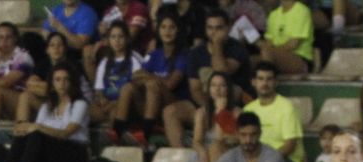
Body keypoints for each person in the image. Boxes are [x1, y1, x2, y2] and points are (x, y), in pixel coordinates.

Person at [0, 67, 89, 162]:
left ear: (72, 83)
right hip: (51, 158)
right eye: (58, 80)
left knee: (36, 133)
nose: (62, 83)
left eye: (66, 80)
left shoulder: (79, 104)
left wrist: (37, 127)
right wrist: (24, 129)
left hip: (75, 155)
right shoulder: (47, 107)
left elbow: (66, 133)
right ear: (52, 84)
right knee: (25, 134)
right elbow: (34, 131)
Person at [178, 68, 240, 162]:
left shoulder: (237, 113)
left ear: (228, 89)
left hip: (228, 153)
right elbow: (196, 141)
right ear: (208, 89)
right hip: (207, 156)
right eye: (213, 85)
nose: (217, 89)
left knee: (215, 147)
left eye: (222, 85)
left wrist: (220, 111)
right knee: (195, 156)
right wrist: (201, 152)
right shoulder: (201, 112)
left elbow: (220, 138)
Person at [140, 10, 196, 148]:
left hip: (178, 101)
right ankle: (119, 131)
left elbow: (171, 84)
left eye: (172, 27)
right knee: (129, 88)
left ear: (178, 30)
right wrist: (152, 78)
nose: (167, 31)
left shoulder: (184, 54)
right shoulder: (155, 54)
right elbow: (136, 75)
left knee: (152, 85)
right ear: (158, 30)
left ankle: (146, 134)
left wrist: (150, 77)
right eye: (163, 27)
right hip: (157, 101)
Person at [242, 61, 303, 162]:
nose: (265, 83)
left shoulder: (286, 107)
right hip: (258, 160)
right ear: (253, 82)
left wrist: (264, 160)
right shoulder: (248, 109)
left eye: (269, 79)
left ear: (276, 82)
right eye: (260, 79)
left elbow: (290, 145)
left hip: (287, 161)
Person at [91, 23, 147, 144]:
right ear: (108, 40)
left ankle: (116, 144)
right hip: (107, 103)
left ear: (127, 39)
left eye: (120, 37)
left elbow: (137, 89)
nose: (117, 40)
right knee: (85, 110)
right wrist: (101, 98)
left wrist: (115, 103)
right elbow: (99, 90)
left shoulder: (134, 59)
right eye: (113, 37)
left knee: (114, 111)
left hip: (128, 106)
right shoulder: (105, 61)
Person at [191, 7, 256, 104]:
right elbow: (195, 89)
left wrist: (217, 43)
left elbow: (220, 71)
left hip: (238, 102)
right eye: (210, 28)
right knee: (172, 112)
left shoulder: (237, 48)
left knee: (231, 89)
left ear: (228, 28)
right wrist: (208, 108)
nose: (214, 33)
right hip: (209, 102)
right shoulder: (196, 53)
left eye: (219, 28)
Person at [257, 0, 314, 75]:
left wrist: (272, 51)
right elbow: (269, 43)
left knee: (267, 52)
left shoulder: (302, 11)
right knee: (249, 60)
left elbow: (293, 44)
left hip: (300, 58)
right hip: (274, 55)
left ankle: (267, 83)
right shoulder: (273, 14)